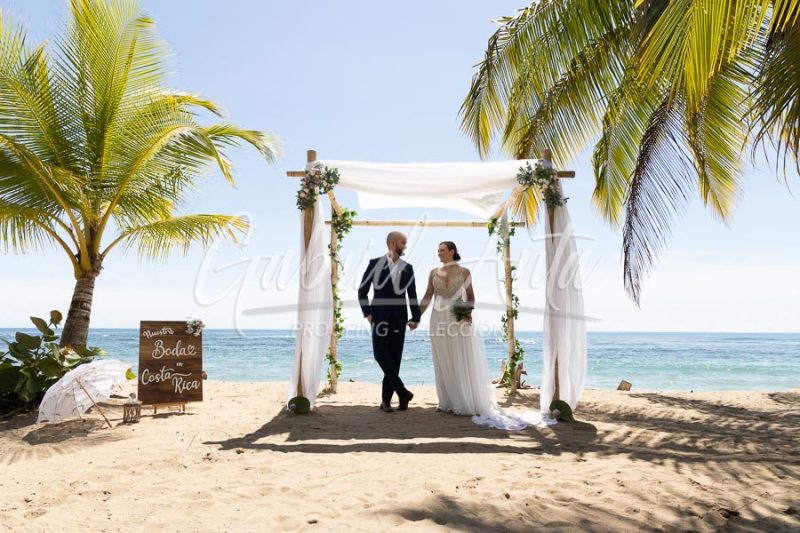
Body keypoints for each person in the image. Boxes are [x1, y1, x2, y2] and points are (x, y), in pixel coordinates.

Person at [419, 241, 546, 430]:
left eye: (442, 250)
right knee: (443, 359)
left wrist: (466, 314)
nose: (439, 253)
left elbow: (470, 296)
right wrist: (415, 317)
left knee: (459, 358)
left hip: (457, 318)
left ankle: (463, 402)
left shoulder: (464, 273)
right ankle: (446, 401)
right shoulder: (433, 272)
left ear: (452, 251)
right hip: (437, 318)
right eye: (438, 251)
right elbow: (428, 295)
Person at [358, 231, 420, 413]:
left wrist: (415, 317)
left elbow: (412, 295)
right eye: (403, 242)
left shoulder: (408, 267)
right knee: (380, 355)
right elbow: (362, 291)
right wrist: (368, 314)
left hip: (400, 318)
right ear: (393, 243)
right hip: (378, 318)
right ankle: (403, 392)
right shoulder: (374, 264)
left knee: (394, 360)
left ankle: (387, 401)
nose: (405, 246)